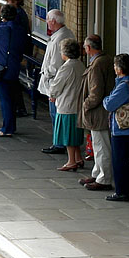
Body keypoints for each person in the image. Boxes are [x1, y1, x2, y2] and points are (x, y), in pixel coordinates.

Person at [101, 53, 129, 201]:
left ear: (119, 69)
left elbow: (109, 104)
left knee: (119, 161)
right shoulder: (127, 81)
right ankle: (124, 190)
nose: (113, 68)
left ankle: (122, 192)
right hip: (127, 128)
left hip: (121, 129)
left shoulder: (123, 85)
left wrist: (106, 98)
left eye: (115, 66)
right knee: (123, 160)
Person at [79, 35, 114, 192]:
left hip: (98, 112)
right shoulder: (105, 60)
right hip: (102, 111)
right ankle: (97, 173)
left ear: (88, 48)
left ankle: (104, 179)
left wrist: (86, 105)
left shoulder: (97, 65)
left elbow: (96, 92)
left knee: (101, 147)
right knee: (98, 144)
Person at [0, 3, 25, 136]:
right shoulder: (19, 29)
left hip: (2, 69)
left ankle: (6, 129)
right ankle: (11, 126)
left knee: (5, 100)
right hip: (14, 67)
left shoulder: (2, 30)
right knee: (12, 99)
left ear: (3, 16)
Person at [38, 10, 75, 155]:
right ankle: (59, 141)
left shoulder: (61, 37)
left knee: (56, 114)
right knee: (56, 114)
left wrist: (45, 74)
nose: (47, 22)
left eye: (47, 19)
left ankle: (59, 143)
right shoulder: (62, 34)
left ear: (53, 21)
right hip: (56, 81)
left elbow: (55, 65)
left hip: (55, 82)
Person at [48, 38, 87, 171]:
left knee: (68, 135)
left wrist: (52, 95)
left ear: (66, 52)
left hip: (67, 105)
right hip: (78, 104)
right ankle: (78, 158)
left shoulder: (66, 67)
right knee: (75, 134)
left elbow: (56, 85)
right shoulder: (81, 65)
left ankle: (71, 161)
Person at [4, 0, 31, 116]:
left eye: (9, 1)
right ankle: (18, 107)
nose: (7, 3)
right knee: (13, 80)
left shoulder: (18, 15)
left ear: (15, 2)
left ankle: (19, 107)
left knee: (13, 81)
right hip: (18, 50)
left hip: (17, 52)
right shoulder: (19, 13)